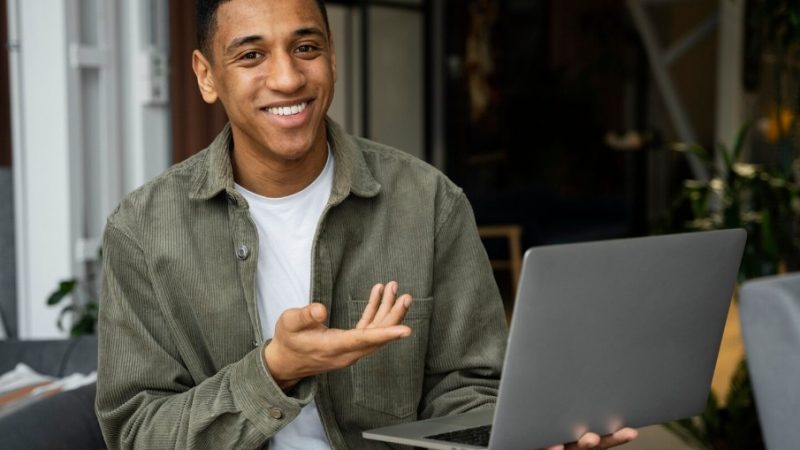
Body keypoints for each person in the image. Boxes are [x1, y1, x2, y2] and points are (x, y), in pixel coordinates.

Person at [95, 0, 638, 449]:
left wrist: (523, 438)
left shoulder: (428, 203)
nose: (287, 78)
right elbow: (138, 432)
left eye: (306, 48)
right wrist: (275, 370)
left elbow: (473, 388)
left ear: (332, 57)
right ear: (206, 75)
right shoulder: (142, 232)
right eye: (251, 55)